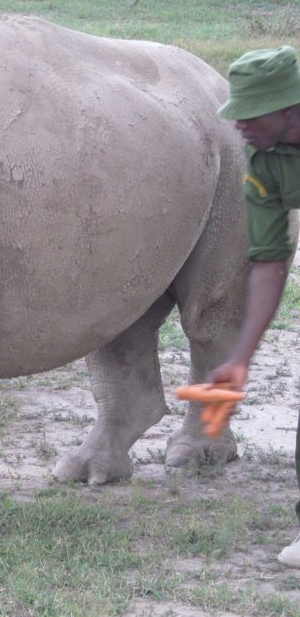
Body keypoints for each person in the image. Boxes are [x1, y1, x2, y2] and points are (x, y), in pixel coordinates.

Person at [210, 44, 300, 566]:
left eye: (250, 113)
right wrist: (241, 356)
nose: (238, 124)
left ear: (289, 109)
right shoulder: (264, 161)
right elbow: (270, 262)